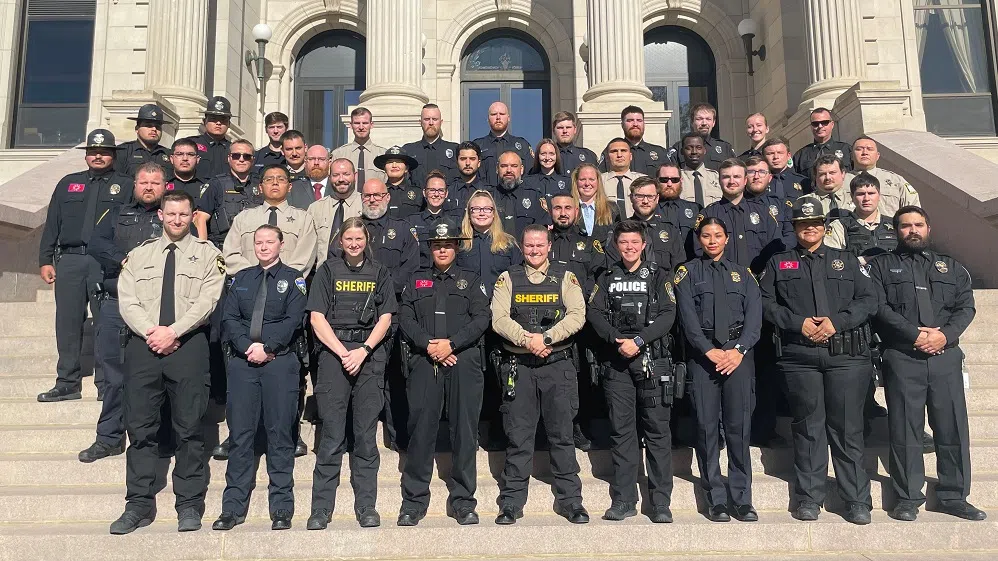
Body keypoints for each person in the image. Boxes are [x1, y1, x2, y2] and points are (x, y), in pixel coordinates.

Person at [109, 190, 225, 534]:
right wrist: (152, 332)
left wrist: (172, 331)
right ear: (160, 215)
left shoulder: (208, 255)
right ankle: (139, 504)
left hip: (188, 346)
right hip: (144, 347)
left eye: (183, 215)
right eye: (171, 214)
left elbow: (208, 299)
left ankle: (189, 504)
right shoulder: (138, 255)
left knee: (189, 429)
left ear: (192, 216)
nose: (176, 220)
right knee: (141, 429)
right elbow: (127, 300)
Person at [758, 195, 876, 525]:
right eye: (802, 224)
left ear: (824, 227)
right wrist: (799, 323)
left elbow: (870, 299)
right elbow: (765, 303)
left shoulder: (848, 260)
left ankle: (856, 500)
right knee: (808, 428)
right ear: (794, 228)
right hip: (800, 356)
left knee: (847, 428)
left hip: (846, 356)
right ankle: (809, 497)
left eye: (814, 223)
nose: (809, 229)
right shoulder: (779, 263)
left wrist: (838, 321)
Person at [869, 206, 986, 523]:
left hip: (945, 357)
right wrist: (914, 334)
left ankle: (954, 496)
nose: (912, 230)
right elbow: (879, 307)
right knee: (905, 430)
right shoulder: (881, 267)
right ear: (896, 230)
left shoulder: (951, 267)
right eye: (905, 225)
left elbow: (966, 307)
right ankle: (907, 497)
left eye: (918, 224)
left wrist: (944, 336)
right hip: (903, 357)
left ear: (928, 228)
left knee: (952, 429)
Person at [491, 225, 589, 525]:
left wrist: (545, 339)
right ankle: (511, 502)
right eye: (529, 246)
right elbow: (498, 318)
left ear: (549, 247)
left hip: (557, 365)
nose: (534, 250)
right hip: (519, 367)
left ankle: (571, 501)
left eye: (539, 245)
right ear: (522, 247)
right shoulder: (507, 278)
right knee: (519, 438)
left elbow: (577, 314)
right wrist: (526, 340)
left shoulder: (565, 276)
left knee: (562, 436)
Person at [212, 225, 307, 532]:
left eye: (270, 242)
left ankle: (281, 508)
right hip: (243, 365)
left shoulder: (294, 279)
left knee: (280, 436)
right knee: (240, 436)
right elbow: (230, 318)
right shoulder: (241, 279)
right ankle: (232, 508)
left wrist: (267, 347)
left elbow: (294, 320)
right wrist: (247, 347)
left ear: (281, 245)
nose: (264, 247)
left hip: (279, 363)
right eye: (259, 242)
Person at [397, 219, 490, 526]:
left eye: (448, 245)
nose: (442, 250)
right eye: (437, 246)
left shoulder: (471, 279)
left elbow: (481, 318)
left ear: (456, 247)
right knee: (421, 431)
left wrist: (451, 344)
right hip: (426, 362)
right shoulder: (416, 280)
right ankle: (414, 500)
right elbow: (406, 318)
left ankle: (463, 500)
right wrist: (429, 345)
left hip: (462, 361)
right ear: (431, 249)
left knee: (464, 432)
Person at [306, 217, 397, 530]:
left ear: (366, 240)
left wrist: (363, 351)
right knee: (331, 437)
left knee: (365, 438)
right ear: (340, 242)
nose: (354, 244)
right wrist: (343, 352)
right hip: (334, 357)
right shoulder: (327, 271)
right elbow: (317, 318)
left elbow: (385, 318)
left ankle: (367, 507)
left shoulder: (380, 272)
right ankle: (320, 510)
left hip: (368, 356)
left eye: (359, 239)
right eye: (349, 239)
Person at [586, 219, 678, 523]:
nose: (629, 247)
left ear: (644, 244)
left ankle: (660, 501)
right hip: (617, 364)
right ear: (616, 245)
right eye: (623, 242)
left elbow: (668, 314)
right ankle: (624, 499)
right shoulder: (606, 276)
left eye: (634, 242)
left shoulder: (659, 276)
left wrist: (640, 339)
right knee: (622, 431)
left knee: (657, 431)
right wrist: (617, 339)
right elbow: (595, 312)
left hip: (653, 360)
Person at [674, 217, 762, 522]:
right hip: (704, 357)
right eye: (707, 236)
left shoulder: (744, 274)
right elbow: (687, 319)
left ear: (727, 238)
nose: (712, 241)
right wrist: (709, 351)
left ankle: (742, 498)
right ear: (699, 239)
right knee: (706, 428)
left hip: (738, 356)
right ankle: (716, 498)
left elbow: (755, 320)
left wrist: (737, 351)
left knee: (739, 429)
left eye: (718, 235)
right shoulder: (687, 273)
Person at [38, 129, 133, 403]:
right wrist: (45, 259)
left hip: (105, 262)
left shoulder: (125, 185)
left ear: (113, 155)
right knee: (67, 322)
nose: (98, 155)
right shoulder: (68, 183)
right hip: (70, 260)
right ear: (87, 155)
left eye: (104, 152)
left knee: (106, 322)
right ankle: (67, 381)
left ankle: (106, 383)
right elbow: (52, 223)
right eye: (93, 151)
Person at [79, 163, 166, 463]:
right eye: (144, 182)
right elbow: (96, 243)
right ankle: (109, 438)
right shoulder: (116, 214)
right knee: (114, 376)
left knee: (154, 377)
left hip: (155, 307)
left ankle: (155, 439)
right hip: (116, 304)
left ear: (165, 186)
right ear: (135, 185)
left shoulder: (172, 217)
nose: (149, 187)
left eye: (155, 182)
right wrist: (124, 258)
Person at [457, 189, 522, 451]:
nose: (481, 213)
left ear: (494, 213)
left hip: (500, 320)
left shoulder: (508, 244)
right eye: (476, 209)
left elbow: (519, 279)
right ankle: (470, 432)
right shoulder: (460, 243)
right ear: (468, 213)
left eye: (486, 209)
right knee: (471, 379)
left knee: (499, 377)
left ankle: (498, 432)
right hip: (469, 320)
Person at [223, 165, 318, 277]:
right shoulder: (243, 218)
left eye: (281, 179)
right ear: (260, 187)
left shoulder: (304, 219)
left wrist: (282, 277)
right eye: (269, 179)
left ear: (289, 187)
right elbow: (231, 253)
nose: (275, 183)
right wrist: (253, 276)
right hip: (249, 284)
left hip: (287, 286)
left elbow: (304, 256)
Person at [696, 159, 785, 274]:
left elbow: (776, 250)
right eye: (726, 177)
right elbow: (698, 252)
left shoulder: (763, 212)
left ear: (745, 180)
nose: (732, 181)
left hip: (759, 283)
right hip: (721, 281)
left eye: (737, 176)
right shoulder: (708, 214)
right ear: (719, 181)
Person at [604, 177, 683, 273]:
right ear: (631, 198)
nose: (645, 201)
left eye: (650, 196)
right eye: (640, 196)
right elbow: (614, 267)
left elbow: (678, 267)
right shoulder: (620, 230)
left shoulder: (670, 231)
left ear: (657, 198)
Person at [825, 172, 898, 264]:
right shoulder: (839, 226)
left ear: (879, 196)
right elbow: (832, 261)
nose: (866, 198)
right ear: (852, 197)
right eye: (861, 194)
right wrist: (860, 261)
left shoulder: (895, 224)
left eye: (871, 193)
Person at [842, 136, 920, 217]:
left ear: (877, 156)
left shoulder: (896, 180)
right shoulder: (840, 182)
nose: (865, 152)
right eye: (859, 149)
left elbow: (913, 211)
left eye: (870, 149)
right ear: (851, 156)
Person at [205, 140, 263, 248]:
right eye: (236, 156)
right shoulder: (216, 184)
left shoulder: (262, 183)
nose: (241, 159)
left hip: (255, 248)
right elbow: (200, 219)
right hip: (223, 247)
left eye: (246, 156)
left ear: (253, 160)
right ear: (229, 158)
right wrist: (203, 251)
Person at [309, 158, 363, 267]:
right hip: (324, 275)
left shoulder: (364, 205)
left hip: (356, 276)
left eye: (346, 174)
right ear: (329, 178)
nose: (341, 179)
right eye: (336, 175)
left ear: (355, 175)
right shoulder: (315, 208)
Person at [472, 101, 533, 186]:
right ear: (488, 119)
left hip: (515, 197)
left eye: (502, 114)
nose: (498, 117)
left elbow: (530, 175)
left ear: (508, 118)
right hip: (486, 196)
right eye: (493, 114)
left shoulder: (522, 145)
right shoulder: (477, 146)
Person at [410, 170, 461, 267]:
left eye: (441, 190)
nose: (436, 194)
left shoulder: (455, 222)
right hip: (420, 275)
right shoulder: (411, 221)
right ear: (424, 192)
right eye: (432, 190)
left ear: (446, 194)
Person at [491, 151, 548, 238]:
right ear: (496, 169)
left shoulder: (534, 197)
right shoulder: (488, 198)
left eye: (514, 166)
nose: (509, 170)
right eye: (504, 166)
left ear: (521, 169)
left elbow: (543, 232)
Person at [599, 106, 669, 176]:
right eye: (630, 120)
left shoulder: (660, 153)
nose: (635, 124)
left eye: (639, 120)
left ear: (644, 124)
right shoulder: (611, 152)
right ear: (622, 125)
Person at [165, 138, 213, 239]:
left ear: (198, 159)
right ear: (171, 158)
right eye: (179, 154)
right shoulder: (163, 185)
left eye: (190, 154)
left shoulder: (209, 186)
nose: (185, 158)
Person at [402, 103, 459, 187]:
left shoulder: (455, 149)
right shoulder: (408, 150)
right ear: (420, 122)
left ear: (441, 122)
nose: (431, 123)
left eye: (435, 119)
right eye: (427, 119)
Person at [668, 103, 736, 171]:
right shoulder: (678, 148)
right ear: (692, 122)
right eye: (699, 119)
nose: (704, 123)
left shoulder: (725, 148)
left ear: (713, 123)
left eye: (708, 119)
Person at [793, 107, 853, 183]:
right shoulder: (801, 155)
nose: (820, 126)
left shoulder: (846, 150)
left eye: (824, 122)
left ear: (832, 124)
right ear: (811, 127)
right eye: (815, 124)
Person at [656, 162, 702, 262]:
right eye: (664, 180)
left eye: (674, 180)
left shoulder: (695, 209)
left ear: (681, 181)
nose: (669, 184)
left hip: (690, 268)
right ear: (657, 181)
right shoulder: (650, 210)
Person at [331, 107, 387, 185]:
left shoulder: (383, 154)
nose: (361, 127)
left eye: (365, 123)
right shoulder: (338, 154)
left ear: (371, 125)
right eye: (357, 123)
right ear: (351, 125)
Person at [115, 104, 172, 177]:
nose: (154, 129)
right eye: (149, 126)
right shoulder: (123, 152)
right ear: (137, 129)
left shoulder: (168, 154)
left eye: (158, 127)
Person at [188, 96, 233, 179]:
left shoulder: (233, 149)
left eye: (223, 120)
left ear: (229, 124)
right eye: (213, 119)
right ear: (205, 121)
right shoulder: (191, 144)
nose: (218, 123)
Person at [572, 163, 619, 241]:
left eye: (591, 179)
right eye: (582, 179)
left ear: (598, 181)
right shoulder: (568, 208)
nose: (587, 183)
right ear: (576, 182)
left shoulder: (611, 208)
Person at [374, 146, 423, 219]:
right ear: (384, 168)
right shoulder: (376, 192)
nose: (394, 165)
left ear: (406, 168)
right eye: (390, 162)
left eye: (399, 162)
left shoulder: (418, 193)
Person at [601, 138, 643, 219]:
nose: (619, 155)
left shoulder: (643, 180)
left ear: (630, 156)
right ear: (607, 157)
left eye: (623, 151)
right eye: (614, 151)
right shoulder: (598, 181)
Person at [524, 138, 571, 209]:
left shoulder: (567, 181)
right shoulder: (528, 182)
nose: (547, 158)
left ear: (556, 156)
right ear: (538, 156)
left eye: (551, 154)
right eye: (543, 154)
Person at [679, 133, 722, 207]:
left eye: (698, 148)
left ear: (704, 150)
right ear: (682, 151)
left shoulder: (717, 177)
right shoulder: (676, 179)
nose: (694, 152)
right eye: (689, 148)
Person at [446, 141, 488, 212]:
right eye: (463, 159)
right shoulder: (448, 192)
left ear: (479, 163)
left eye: (472, 159)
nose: (468, 163)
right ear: (457, 162)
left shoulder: (489, 191)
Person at [762, 138, 806, 204]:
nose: (776, 157)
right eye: (770, 153)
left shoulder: (803, 182)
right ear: (763, 157)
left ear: (788, 156)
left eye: (780, 153)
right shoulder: (759, 182)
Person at [810, 155, 855, 219]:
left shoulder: (855, 198)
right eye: (822, 174)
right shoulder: (807, 202)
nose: (827, 178)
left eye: (832, 173)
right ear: (815, 176)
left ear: (843, 174)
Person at [279, 130, 315, 209]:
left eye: (298, 148)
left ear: (305, 148)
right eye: (289, 149)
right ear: (282, 151)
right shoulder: (277, 174)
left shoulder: (315, 172)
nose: (294, 153)